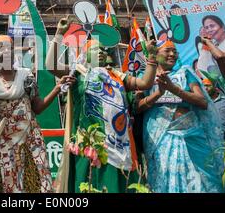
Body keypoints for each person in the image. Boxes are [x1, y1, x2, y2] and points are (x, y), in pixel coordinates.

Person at [46, 17, 158, 193]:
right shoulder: (79, 73)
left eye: (102, 50)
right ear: (84, 55)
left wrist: (152, 58)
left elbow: (145, 84)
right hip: (90, 144)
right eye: (94, 49)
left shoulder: (118, 76)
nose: (100, 52)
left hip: (119, 143)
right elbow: (50, 65)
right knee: (90, 184)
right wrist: (60, 33)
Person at [0, 35, 75, 193]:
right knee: (6, 184)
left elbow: (37, 108)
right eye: (1, 49)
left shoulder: (26, 76)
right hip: (3, 144)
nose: (6, 53)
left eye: (10, 49)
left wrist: (57, 88)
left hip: (31, 141)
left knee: (37, 182)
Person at [136, 39, 224, 193]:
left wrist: (174, 89)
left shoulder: (185, 72)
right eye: (167, 51)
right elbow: (137, 107)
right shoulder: (145, 76)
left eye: (175, 51)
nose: (172, 54)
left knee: (202, 180)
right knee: (166, 181)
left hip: (191, 136)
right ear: (155, 54)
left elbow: (202, 102)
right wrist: (158, 94)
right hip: (161, 138)